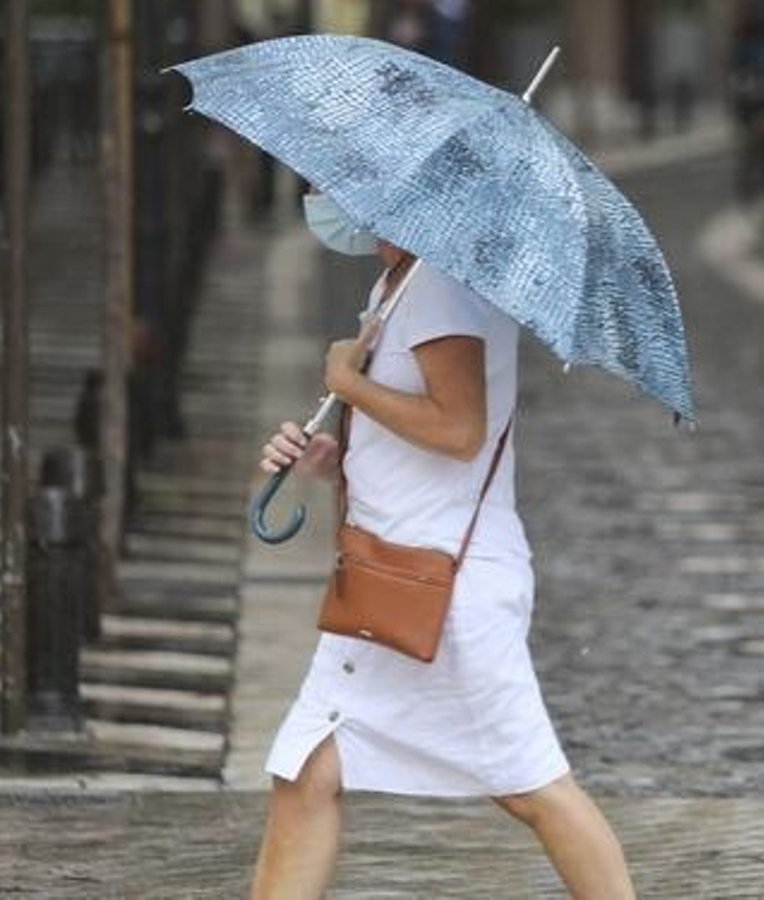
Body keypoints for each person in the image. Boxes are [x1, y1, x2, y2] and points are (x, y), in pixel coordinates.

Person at [252, 192, 635, 899]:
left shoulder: (441, 284)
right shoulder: (401, 281)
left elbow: (459, 430)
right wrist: (336, 457)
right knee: (307, 770)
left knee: (532, 787)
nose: (339, 198)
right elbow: (422, 437)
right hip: (392, 577)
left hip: (444, 591)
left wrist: (347, 383)